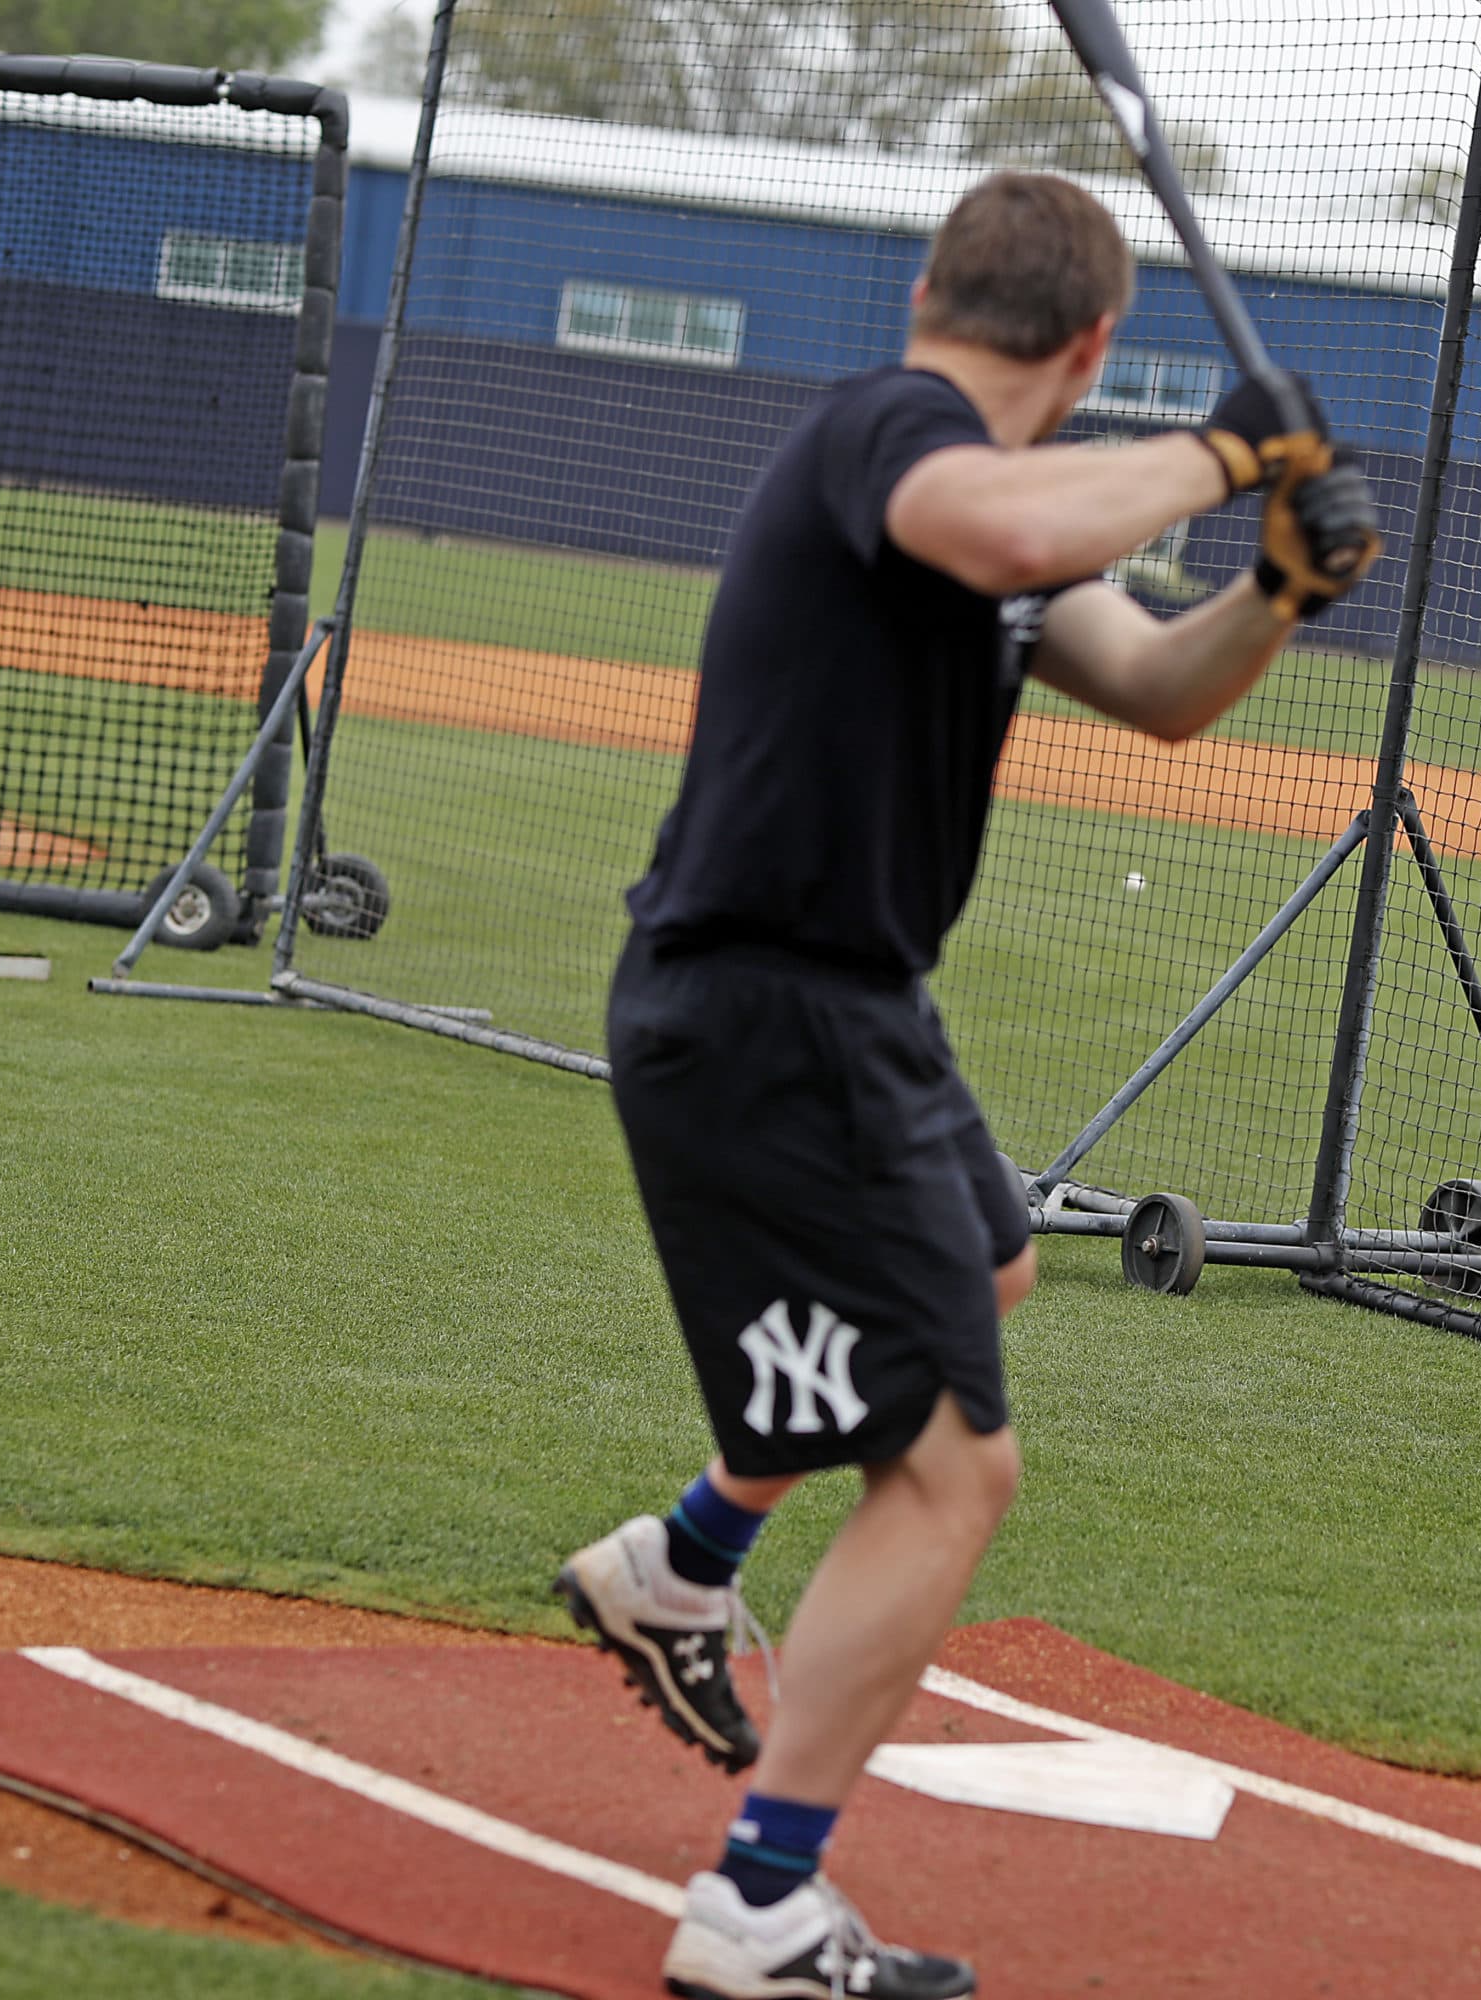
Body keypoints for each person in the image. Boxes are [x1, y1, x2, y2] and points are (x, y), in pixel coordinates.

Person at [554, 171, 1377, 2000]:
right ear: (1089, 351)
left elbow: (1160, 685)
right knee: (951, 1471)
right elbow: (989, 527)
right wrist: (1222, 451)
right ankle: (759, 1906)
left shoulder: (1005, 511)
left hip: (854, 1013)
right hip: (772, 1012)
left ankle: (682, 1565)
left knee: (990, 1262)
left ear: (935, 280)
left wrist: (1280, 589)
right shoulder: (898, 439)